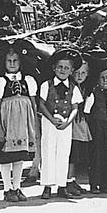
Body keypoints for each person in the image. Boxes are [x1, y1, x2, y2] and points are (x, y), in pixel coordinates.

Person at [0, 40, 38, 203]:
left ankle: (17, 187)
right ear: (4, 63)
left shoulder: (29, 81)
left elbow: (33, 104)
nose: (12, 64)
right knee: (6, 158)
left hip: (23, 125)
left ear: (20, 62)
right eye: (9, 61)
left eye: (15, 61)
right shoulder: (0, 81)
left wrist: (34, 128)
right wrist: (0, 130)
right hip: (7, 124)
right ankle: (6, 189)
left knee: (19, 158)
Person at [38, 48, 84, 200]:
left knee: (64, 153)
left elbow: (75, 108)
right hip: (49, 123)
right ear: (54, 68)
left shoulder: (74, 88)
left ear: (71, 71)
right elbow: (41, 104)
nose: (63, 70)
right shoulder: (47, 84)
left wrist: (68, 123)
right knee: (48, 152)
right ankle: (47, 186)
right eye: (60, 67)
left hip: (65, 124)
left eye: (66, 68)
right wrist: (51, 119)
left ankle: (61, 185)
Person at [84, 58, 107, 194]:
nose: (105, 80)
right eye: (102, 78)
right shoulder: (93, 93)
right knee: (97, 155)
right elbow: (87, 112)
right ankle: (94, 184)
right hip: (96, 126)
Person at [66, 55, 92, 197]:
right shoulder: (70, 87)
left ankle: (72, 179)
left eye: (83, 73)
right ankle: (67, 181)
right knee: (71, 153)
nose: (79, 76)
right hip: (71, 123)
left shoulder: (84, 88)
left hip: (80, 123)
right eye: (77, 73)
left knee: (76, 154)